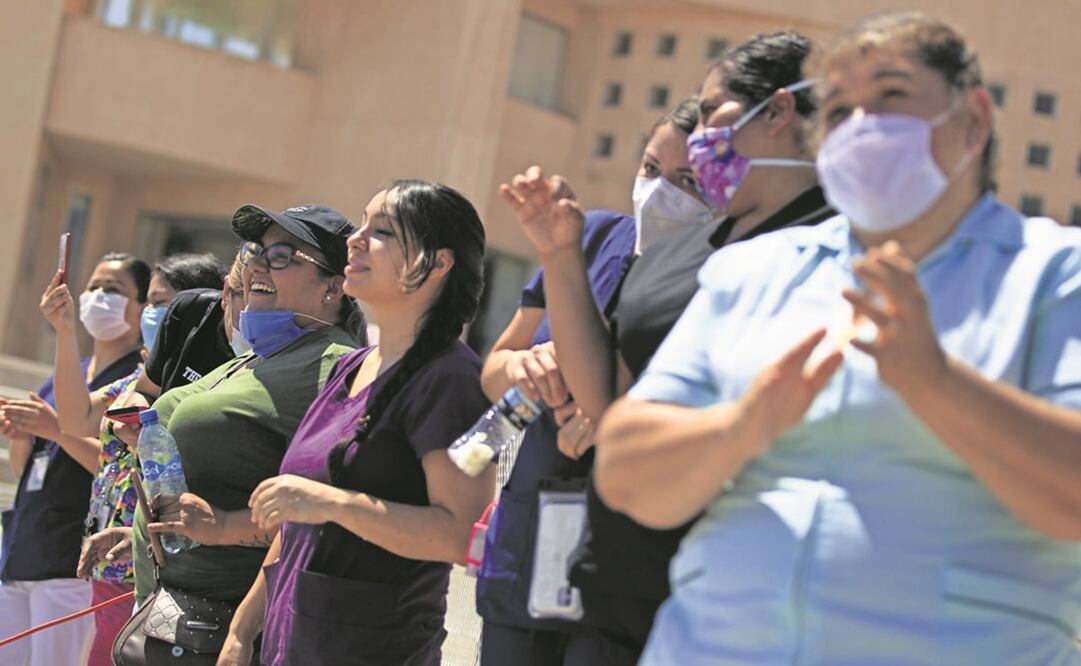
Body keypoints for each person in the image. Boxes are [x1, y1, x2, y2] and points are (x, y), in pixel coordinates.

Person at [595, 13, 1081, 664]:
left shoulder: (1052, 275)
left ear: (973, 120)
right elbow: (625, 474)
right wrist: (744, 423)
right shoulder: (754, 269)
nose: (859, 126)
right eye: (840, 108)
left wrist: (935, 383)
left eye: (888, 98)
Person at [502, 31, 832, 662]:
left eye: (713, 111)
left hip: (741, 612)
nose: (701, 129)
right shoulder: (681, 252)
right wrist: (559, 255)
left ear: (781, 111)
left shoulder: (836, 247)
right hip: (619, 600)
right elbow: (607, 397)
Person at [218, 181, 494, 666]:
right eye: (362, 224)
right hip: (290, 646)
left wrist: (334, 503)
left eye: (382, 230)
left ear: (437, 263)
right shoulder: (353, 368)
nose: (356, 239)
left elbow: (458, 534)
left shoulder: (452, 381)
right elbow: (297, 513)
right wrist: (243, 632)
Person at [76, 204, 362, 664]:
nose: (258, 264)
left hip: (223, 631)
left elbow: (327, 513)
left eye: (284, 255)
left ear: (333, 286)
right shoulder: (257, 357)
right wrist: (137, 530)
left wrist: (227, 531)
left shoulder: (337, 366)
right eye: (256, 250)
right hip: (167, 615)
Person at [476, 99, 698, 665]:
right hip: (529, 539)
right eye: (651, 169)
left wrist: (614, 418)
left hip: (622, 562)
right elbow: (497, 368)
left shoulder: (721, 272)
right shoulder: (590, 238)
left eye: (687, 180)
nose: (660, 191)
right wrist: (523, 367)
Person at [40, 251, 226, 666]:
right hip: (109, 562)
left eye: (165, 302)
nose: (154, 312)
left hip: (147, 569)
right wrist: (65, 331)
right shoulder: (136, 379)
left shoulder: (208, 385)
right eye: (152, 302)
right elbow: (74, 420)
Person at [0, 252, 149, 666]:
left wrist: (55, 430)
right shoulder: (72, 370)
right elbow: (23, 469)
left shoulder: (132, 379)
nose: (99, 296)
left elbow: (112, 466)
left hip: (70, 561)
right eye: (95, 287)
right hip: (25, 549)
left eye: (114, 290)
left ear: (143, 307)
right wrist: (23, 435)